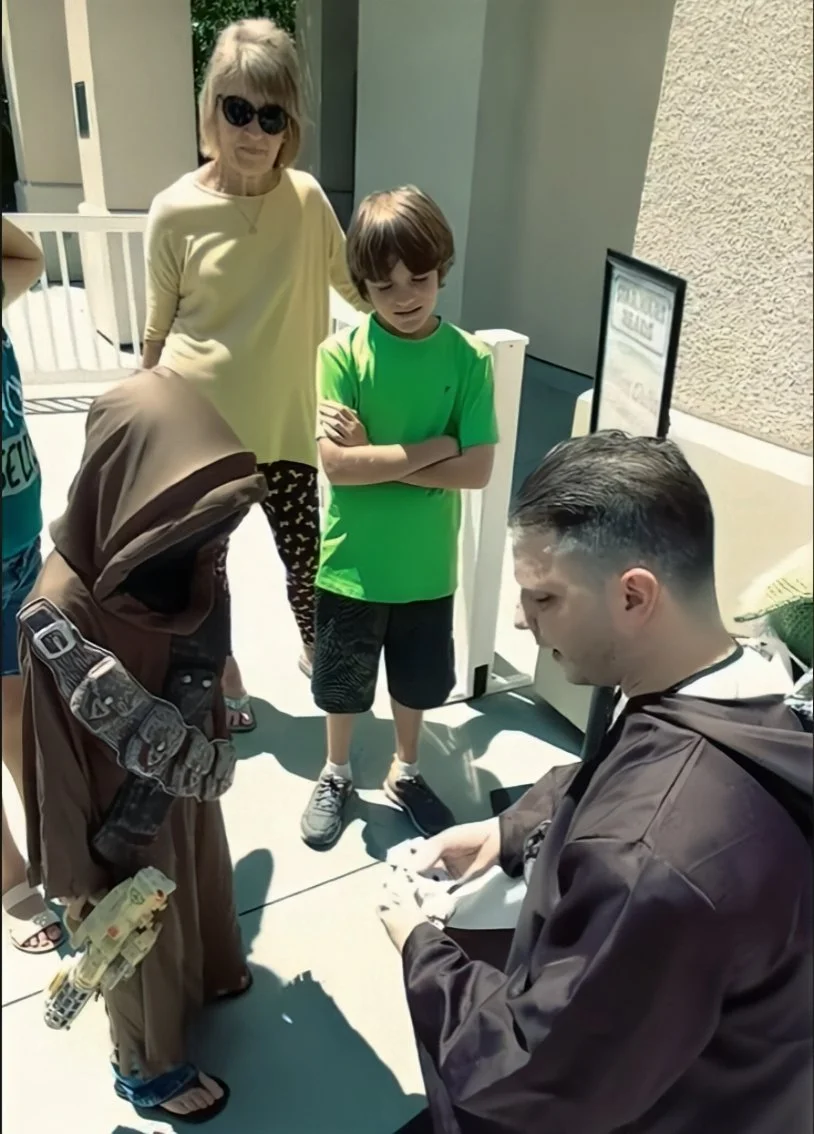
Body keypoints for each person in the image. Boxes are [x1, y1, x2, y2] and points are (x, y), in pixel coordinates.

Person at [376, 432, 813, 1134]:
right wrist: (510, 829)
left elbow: (535, 1072)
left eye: (544, 596)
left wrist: (418, 943)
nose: (521, 618)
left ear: (634, 595)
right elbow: (626, 768)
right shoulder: (756, 691)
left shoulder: (649, 861)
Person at [18, 369, 267, 1122]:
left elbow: (202, 659)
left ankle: (211, 972)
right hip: (114, 812)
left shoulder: (194, 560)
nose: (208, 535)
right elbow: (53, 760)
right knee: (133, 929)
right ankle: (146, 1067)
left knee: (197, 876)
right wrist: (74, 873)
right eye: (187, 517)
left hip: (184, 775)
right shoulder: (60, 609)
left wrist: (211, 743)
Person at [142, 18, 367, 732]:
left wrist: (420, 312)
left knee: (309, 561)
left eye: (272, 117)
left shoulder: (306, 200)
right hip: (202, 436)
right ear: (211, 108)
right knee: (204, 570)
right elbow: (157, 328)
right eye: (238, 109)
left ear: (289, 125)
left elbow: (356, 287)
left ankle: (315, 648)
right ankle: (222, 673)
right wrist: (141, 425)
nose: (253, 132)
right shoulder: (174, 210)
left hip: (288, 429)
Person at [300, 186, 499, 850]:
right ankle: (335, 771)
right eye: (384, 285)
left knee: (417, 683)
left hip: (426, 568)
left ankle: (405, 770)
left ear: (442, 267)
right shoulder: (340, 354)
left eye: (419, 277)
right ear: (362, 287)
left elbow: (478, 470)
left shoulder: (470, 359)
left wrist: (380, 457)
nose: (405, 295)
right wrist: (436, 447)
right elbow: (337, 465)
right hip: (351, 564)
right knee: (341, 685)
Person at [1, 216, 65, 954]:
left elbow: (26, 254)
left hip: (18, 557)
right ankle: (10, 875)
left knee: (21, 714)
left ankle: (52, 848)